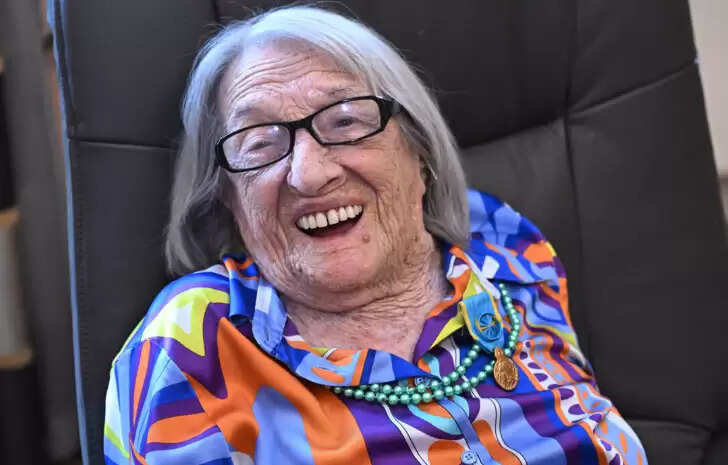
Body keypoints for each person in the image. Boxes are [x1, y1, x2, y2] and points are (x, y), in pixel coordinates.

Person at [103, 6, 647, 465]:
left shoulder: (508, 247)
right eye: (261, 143)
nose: (309, 173)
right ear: (228, 196)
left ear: (418, 150)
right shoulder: (193, 346)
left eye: (345, 121)